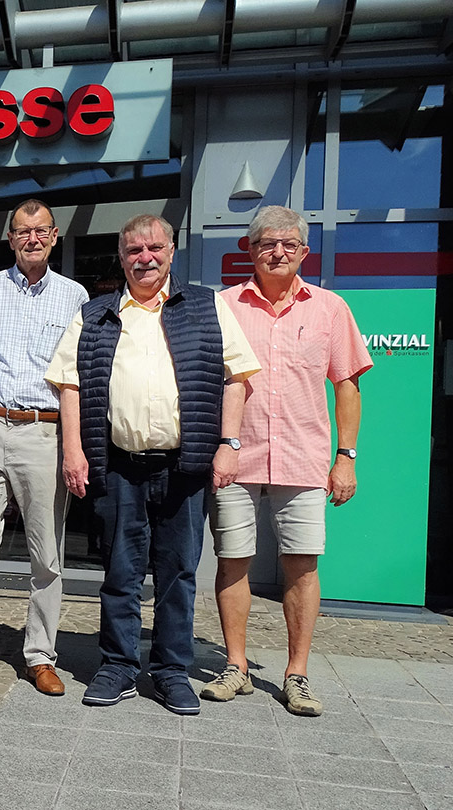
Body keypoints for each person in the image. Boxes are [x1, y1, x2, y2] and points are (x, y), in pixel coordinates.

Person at [45, 213, 260, 714]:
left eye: (153, 248)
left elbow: (237, 377)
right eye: (133, 251)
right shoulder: (96, 312)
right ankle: (118, 665)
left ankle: (170, 671)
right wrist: (72, 450)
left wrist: (229, 443)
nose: (144, 258)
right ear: (121, 258)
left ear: (170, 252)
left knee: (178, 572)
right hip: (118, 464)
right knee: (120, 572)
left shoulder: (207, 306)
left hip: (183, 466)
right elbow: (69, 384)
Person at [202, 206, 372, 717]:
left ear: (303, 251)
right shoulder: (222, 306)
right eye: (265, 244)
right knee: (233, 561)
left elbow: (348, 385)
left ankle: (297, 674)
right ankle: (236, 666)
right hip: (237, 455)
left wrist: (346, 458)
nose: (276, 252)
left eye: (287, 244)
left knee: (301, 566)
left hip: (303, 458)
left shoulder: (329, 308)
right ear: (249, 251)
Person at [0, 200, 89, 695]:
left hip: (43, 432)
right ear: (10, 240)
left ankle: (40, 655)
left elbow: (77, 377)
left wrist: (75, 445)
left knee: (46, 554)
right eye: (22, 232)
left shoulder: (75, 297)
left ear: (54, 237)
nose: (32, 239)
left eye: (41, 231)